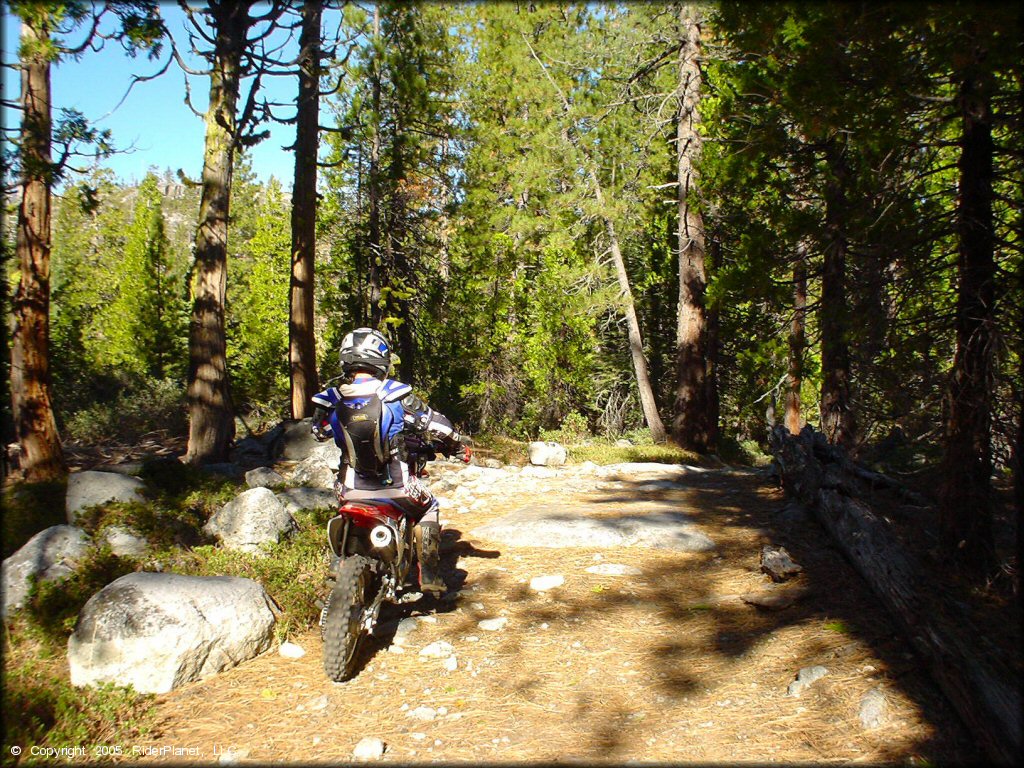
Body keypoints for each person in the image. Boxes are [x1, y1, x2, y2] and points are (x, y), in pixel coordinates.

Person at [310, 327, 470, 595]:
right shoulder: (396, 395)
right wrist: (457, 447)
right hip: (397, 488)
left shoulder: (330, 399)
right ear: (381, 359)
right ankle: (429, 572)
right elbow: (439, 426)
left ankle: (337, 566)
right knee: (429, 506)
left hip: (349, 489)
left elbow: (319, 432)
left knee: (342, 511)